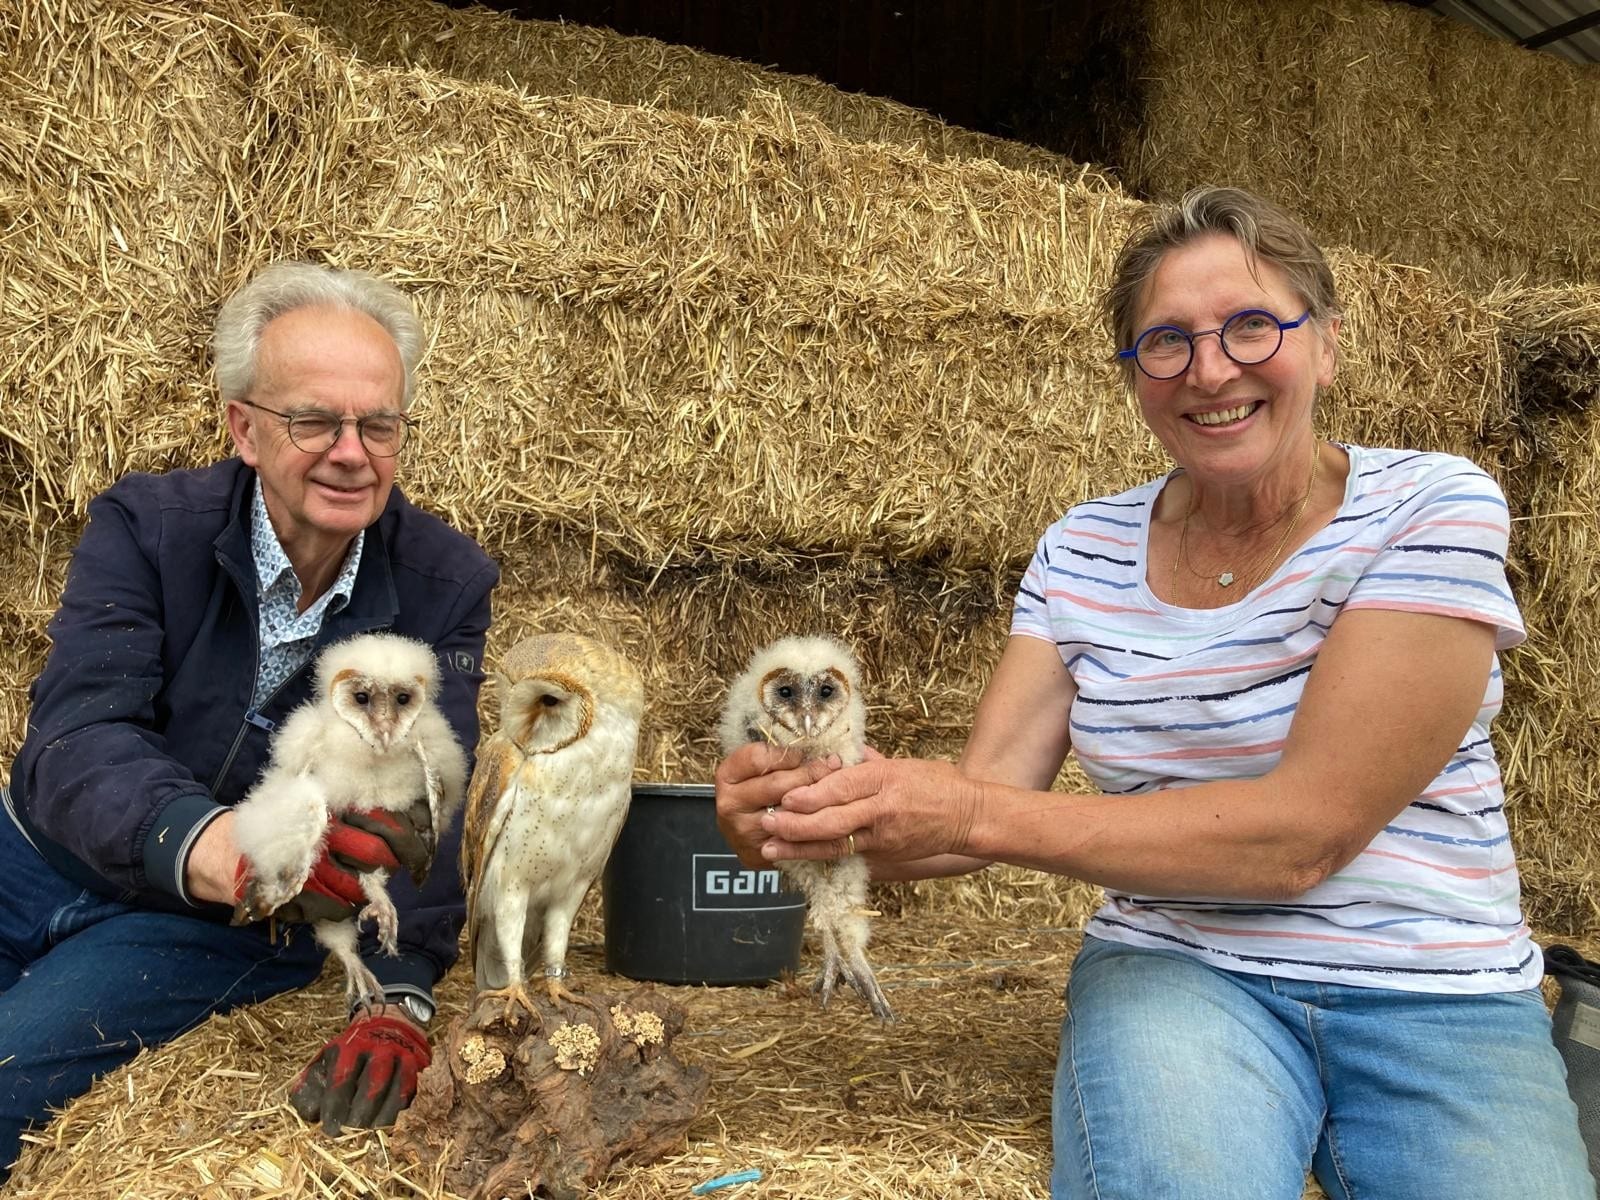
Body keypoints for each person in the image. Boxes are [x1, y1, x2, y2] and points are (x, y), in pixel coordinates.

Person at [715, 187, 1594, 1199]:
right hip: (1180, 972)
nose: (1210, 370)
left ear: (1325, 345)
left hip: (1436, 991)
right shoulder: (1080, 549)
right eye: (1166, 342)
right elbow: (977, 809)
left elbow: (1303, 837)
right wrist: (802, 823)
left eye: (1251, 326)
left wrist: (967, 810)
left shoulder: (1430, 506)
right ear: (1134, 376)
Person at [0, 262, 499, 1179]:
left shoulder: (443, 581)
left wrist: (397, 995)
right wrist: (218, 842)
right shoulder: (148, 527)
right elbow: (80, 734)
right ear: (244, 429)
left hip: (220, 926)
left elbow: (432, 793)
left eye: (378, 424)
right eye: (314, 421)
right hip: (36, 859)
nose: (351, 453)